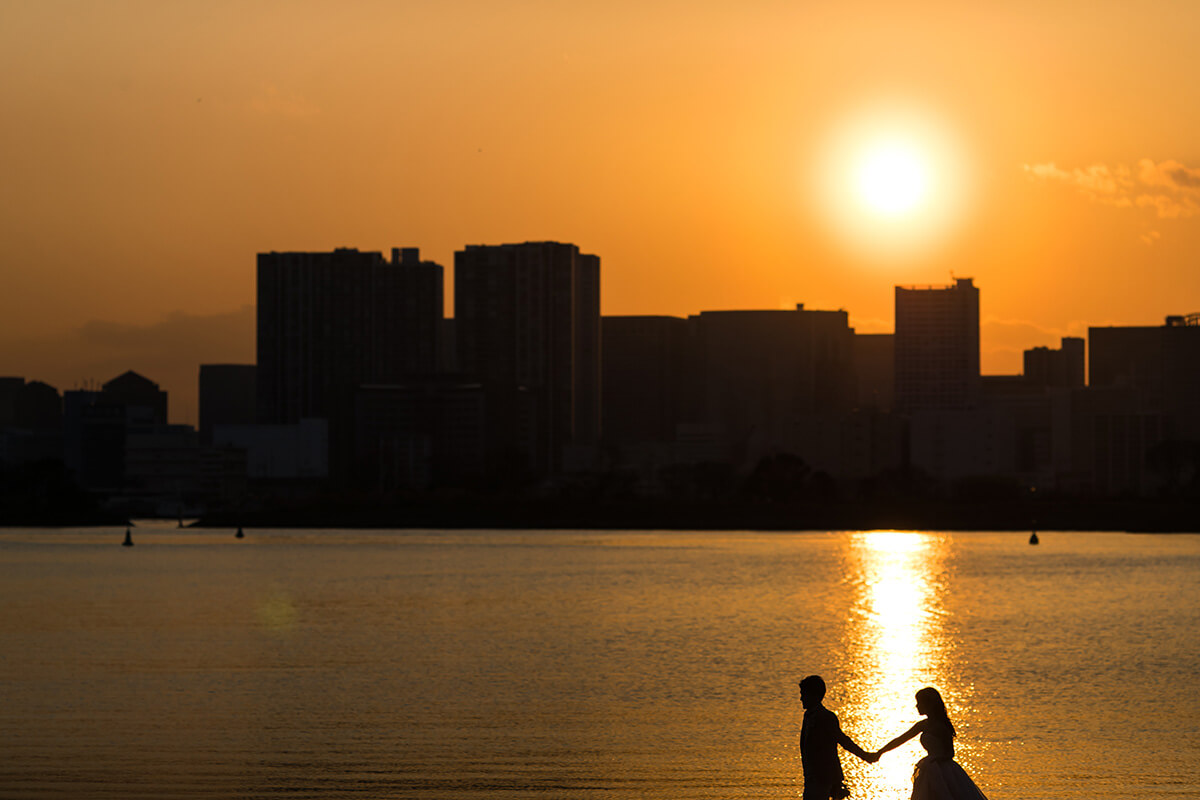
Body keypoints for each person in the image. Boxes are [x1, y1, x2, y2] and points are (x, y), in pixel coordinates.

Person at [872, 686, 988, 800]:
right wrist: (880, 752)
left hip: (944, 771)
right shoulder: (923, 725)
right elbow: (900, 739)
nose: (917, 706)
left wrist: (936, 759)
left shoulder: (941, 726)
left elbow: (950, 753)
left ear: (929, 705)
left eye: (919, 703)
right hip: (930, 768)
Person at [798, 675, 876, 800]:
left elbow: (843, 740)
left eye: (804, 694)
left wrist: (865, 755)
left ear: (814, 695)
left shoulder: (826, 717)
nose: (801, 698)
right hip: (811, 776)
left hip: (824, 777)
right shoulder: (808, 716)